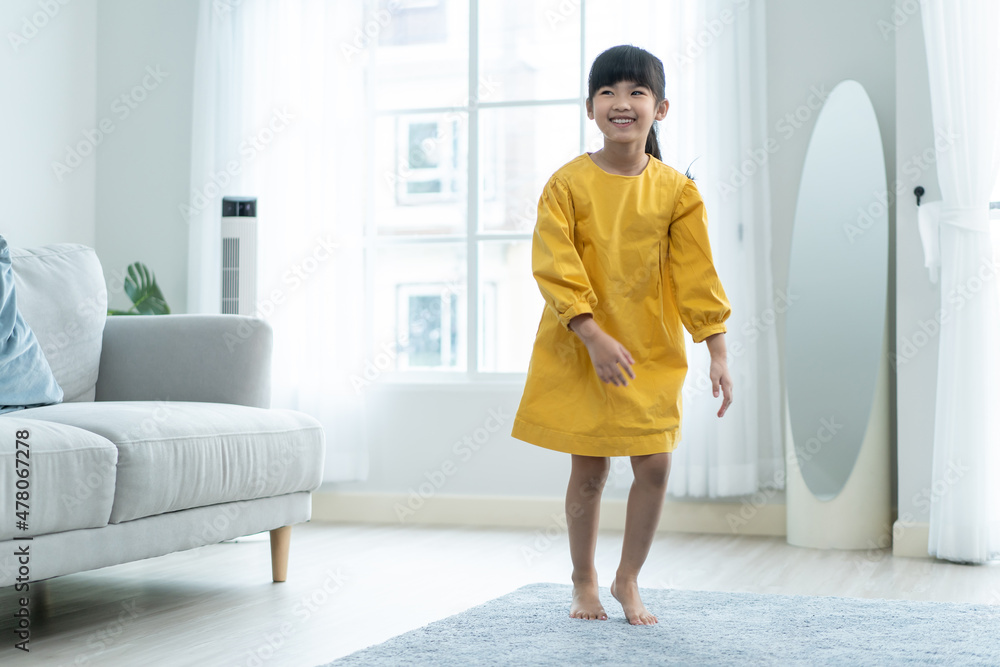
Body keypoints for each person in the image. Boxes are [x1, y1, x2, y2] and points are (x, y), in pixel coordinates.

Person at [510, 44, 734, 626]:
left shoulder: (677, 193)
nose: (622, 102)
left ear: (660, 108)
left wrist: (717, 350)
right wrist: (591, 334)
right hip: (584, 349)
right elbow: (555, 266)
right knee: (590, 468)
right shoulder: (566, 185)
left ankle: (626, 578)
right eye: (608, 92)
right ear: (590, 107)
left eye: (636, 92)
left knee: (655, 466)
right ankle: (583, 580)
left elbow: (697, 276)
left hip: (649, 350)